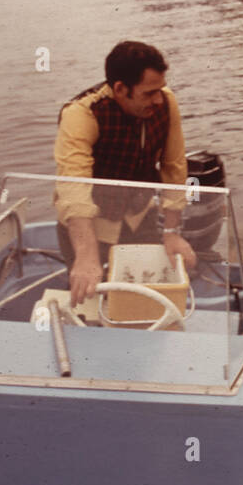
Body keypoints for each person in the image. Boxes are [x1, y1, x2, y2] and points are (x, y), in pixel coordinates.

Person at [54, 40, 196, 305]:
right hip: (92, 226)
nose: (158, 99)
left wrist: (172, 231)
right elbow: (74, 189)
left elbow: (174, 167)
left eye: (160, 90)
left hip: (140, 217)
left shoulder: (166, 101)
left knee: (148, 299)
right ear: (120, 89)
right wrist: (86, 256)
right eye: (149, 93)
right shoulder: (81, 114)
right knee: (95, 304)